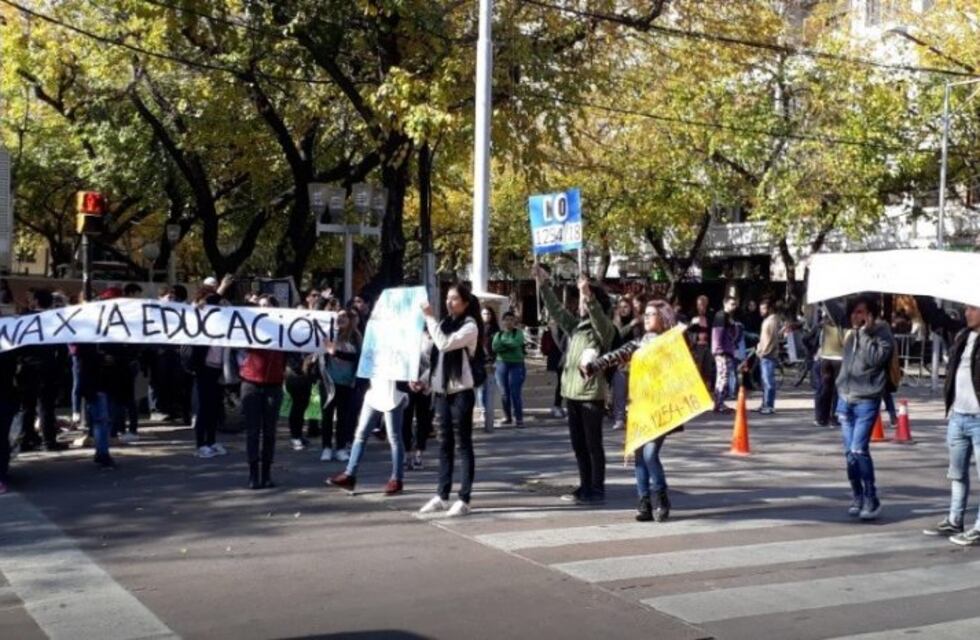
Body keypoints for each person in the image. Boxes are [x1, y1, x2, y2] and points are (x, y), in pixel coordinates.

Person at [583, 299, 679, 521]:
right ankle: (644, 503)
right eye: (645, 314)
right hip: (639, 407)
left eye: (652, 314)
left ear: (663, 318)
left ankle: (662, 498)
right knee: (639, 456)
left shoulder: (671, 344)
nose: (646, 318)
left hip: (661, 408)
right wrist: (593, 366)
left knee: (650, 454)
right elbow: (616, 355)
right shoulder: (638, 343)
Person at [534, 266, 615, 505]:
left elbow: (599, 319)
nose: (579, 303)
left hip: (590, 395)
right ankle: (585, 484)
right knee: (579, 445)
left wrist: (589, 296)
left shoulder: (603, 329)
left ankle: (597, 488)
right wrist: (544, 285)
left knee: (593, 445)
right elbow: (557, 312)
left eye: (582, 299)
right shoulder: (577, 327)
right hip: (572, 394)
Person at [418, 283, 484, 517]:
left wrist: (429, 318)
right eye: (447, 298)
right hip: (442, 393)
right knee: (444, 444)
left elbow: (445, 344)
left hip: (461, 393)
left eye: (454, 298)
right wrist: (424, 380)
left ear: (465, 303)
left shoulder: (470, 326)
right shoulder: (445, 324)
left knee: (463, 444)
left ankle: (464, 498)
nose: (449, 302)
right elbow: (438, 361)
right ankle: (442, 494)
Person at [923, 304, 980, 546]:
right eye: (966, 308)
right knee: (957, 473)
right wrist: (921, 296)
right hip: (958, 415)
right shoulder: (962, 335)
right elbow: (936, 318)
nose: (967, 313)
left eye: (973, 308)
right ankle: (955, 519)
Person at [836, 294, 893, 521]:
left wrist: (866, 334)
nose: (855, 316)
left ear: (870, 314)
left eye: (860, 312)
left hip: (867, 400)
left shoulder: (882, 332)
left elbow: (876, 359)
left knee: (859, 449)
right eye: (854, 312)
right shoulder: (851, 334)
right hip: (845, 398)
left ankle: (871, 497)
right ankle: (857, 495)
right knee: (849, 454)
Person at [326, 370, 412, 497]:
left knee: (394, 437)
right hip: (374, 392)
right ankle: (349, 475)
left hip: (393, 393)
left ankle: (397, 479)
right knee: (361, 434)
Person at [238, 295, 286, 489]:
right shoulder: (250, 327)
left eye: (268, 305)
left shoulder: (284, 330)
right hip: (251, 383)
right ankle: (253, 475)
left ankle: (266, 474)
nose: (264, 308)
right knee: (252, 432)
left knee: (269, 432)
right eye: (261, 306)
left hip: (274, 385)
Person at [16, 289, 67, 452]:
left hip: (27, 367)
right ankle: (48, 441)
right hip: (48, 367)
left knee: (27, 406)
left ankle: (25, 440)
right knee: (46, 406)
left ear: (36, 301)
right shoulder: (54, 320)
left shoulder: (24, 318)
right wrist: (59, 367)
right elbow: (62, 348)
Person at [184, 289, 228, 458]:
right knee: (204, 406)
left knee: (214, 406)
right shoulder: (197, 318)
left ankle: (211, 441)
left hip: (218, 368)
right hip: (204, 368)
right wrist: (221, 288)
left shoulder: (221, 319)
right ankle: (200, 444)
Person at [320, 308, 361, 462]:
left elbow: (355, 357)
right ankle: (326, 447)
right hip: (328, 382)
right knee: (327, 416)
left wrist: (335, 352)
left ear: (350, 320)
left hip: (346, 382)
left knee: (343, 417)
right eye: (338, 316)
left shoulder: (355, 337)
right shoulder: (328, 334)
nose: (341, 319)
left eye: (345, 316)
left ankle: (341, 448)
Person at [404, 328, 434, 470]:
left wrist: (423, 381)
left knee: (423, 420)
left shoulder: (433, 335)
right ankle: (406, 453)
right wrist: (409, 378)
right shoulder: (405, 334)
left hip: (426, 384)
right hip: (407, 382)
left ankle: (419, 454)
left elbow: (436, 361)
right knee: (406, 419)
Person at [492, 311, 527, 428]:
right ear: (502, 321)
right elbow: (495, 347)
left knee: (515, 392)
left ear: (514, 321)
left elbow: (516, 343)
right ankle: (508, 417)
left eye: (511, 320)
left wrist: (503, 345)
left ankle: (519, 419)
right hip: (501, 364)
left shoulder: (519, 333)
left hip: (517, 364)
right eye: (506, 320)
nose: (509, 322)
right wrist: (508, 345)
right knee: (504, 393)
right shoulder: (498, 334)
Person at [815, 300, 847, 428]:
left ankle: (821, 417)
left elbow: (819, 341)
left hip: (825, 358)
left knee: (825, 388)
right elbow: (844, 342)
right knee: (837, 390)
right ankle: (834, 417)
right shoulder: (842, 325)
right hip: (839, 359)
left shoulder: (824, 325)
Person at [610, 297, 640, 431]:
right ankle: (619, 419)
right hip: (620, 362)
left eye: (626, 307)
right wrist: (630, 326)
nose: (623, 309)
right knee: (619, 392)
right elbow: (617, 337)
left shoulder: (637, 322)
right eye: (621, 307)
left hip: (635, 362)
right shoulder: (615, 323)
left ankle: (635, 418)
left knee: (635, 393)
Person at [711, 296, 740, 413]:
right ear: (725, 303)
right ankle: (719, 403)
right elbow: (717, 333)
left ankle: (719, 403)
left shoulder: (727, 316)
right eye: (732, 304)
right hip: (722, 351)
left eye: (735, 304)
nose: (734, 306)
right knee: (723, 376)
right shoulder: (721, 316)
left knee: (722, 376)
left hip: (727, 350)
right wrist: (719, 349)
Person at [756, 299, 782, 415]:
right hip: (765, 354)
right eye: (760, 308)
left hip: (768, 355)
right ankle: (764, 404)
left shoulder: (771, 321)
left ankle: (769, 405)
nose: (761, 311)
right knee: (765, 381)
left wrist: (763, 352)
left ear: (770, 309)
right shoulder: (768, 320)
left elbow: (770, 340)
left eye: (763, 308)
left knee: (768, 381)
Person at [0, 333, 19, 493]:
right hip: (5, 398)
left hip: (5, 398)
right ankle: (2, 474)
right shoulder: (8, 348)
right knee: (2, 439)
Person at [686, 295, 715, 389]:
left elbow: (712, 330)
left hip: (707, 346)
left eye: (703, 304)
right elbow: (685, 329)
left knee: (708, 369)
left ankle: (707, 390)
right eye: (699, 304)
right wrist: (691, 323)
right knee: (697, 368)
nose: (701, 306)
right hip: (697, 346)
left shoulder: (709, 316)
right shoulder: (692, 315)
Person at [540, 319, 567, 419]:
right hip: (558, 358)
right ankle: (557, 406)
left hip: (565, 357)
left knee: (563, 382)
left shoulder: (565, 325)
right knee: (562, 382)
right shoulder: (552, 328)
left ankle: (559, 406)